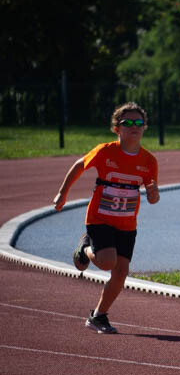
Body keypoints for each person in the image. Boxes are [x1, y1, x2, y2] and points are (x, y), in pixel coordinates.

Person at [52, 102, 160, 334]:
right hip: (100, 217)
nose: (134, 126)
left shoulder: (149, 161)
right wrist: (63, 192)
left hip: (127, 223)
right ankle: (85, 247)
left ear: (144, 127)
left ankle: (98, 316)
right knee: (107, 261)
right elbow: (79, 165)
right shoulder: (105, 151)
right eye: (127, 122)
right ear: (116, 128)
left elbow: (153, 198)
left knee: (120, 273)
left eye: (138, 123)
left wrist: (153, 194)